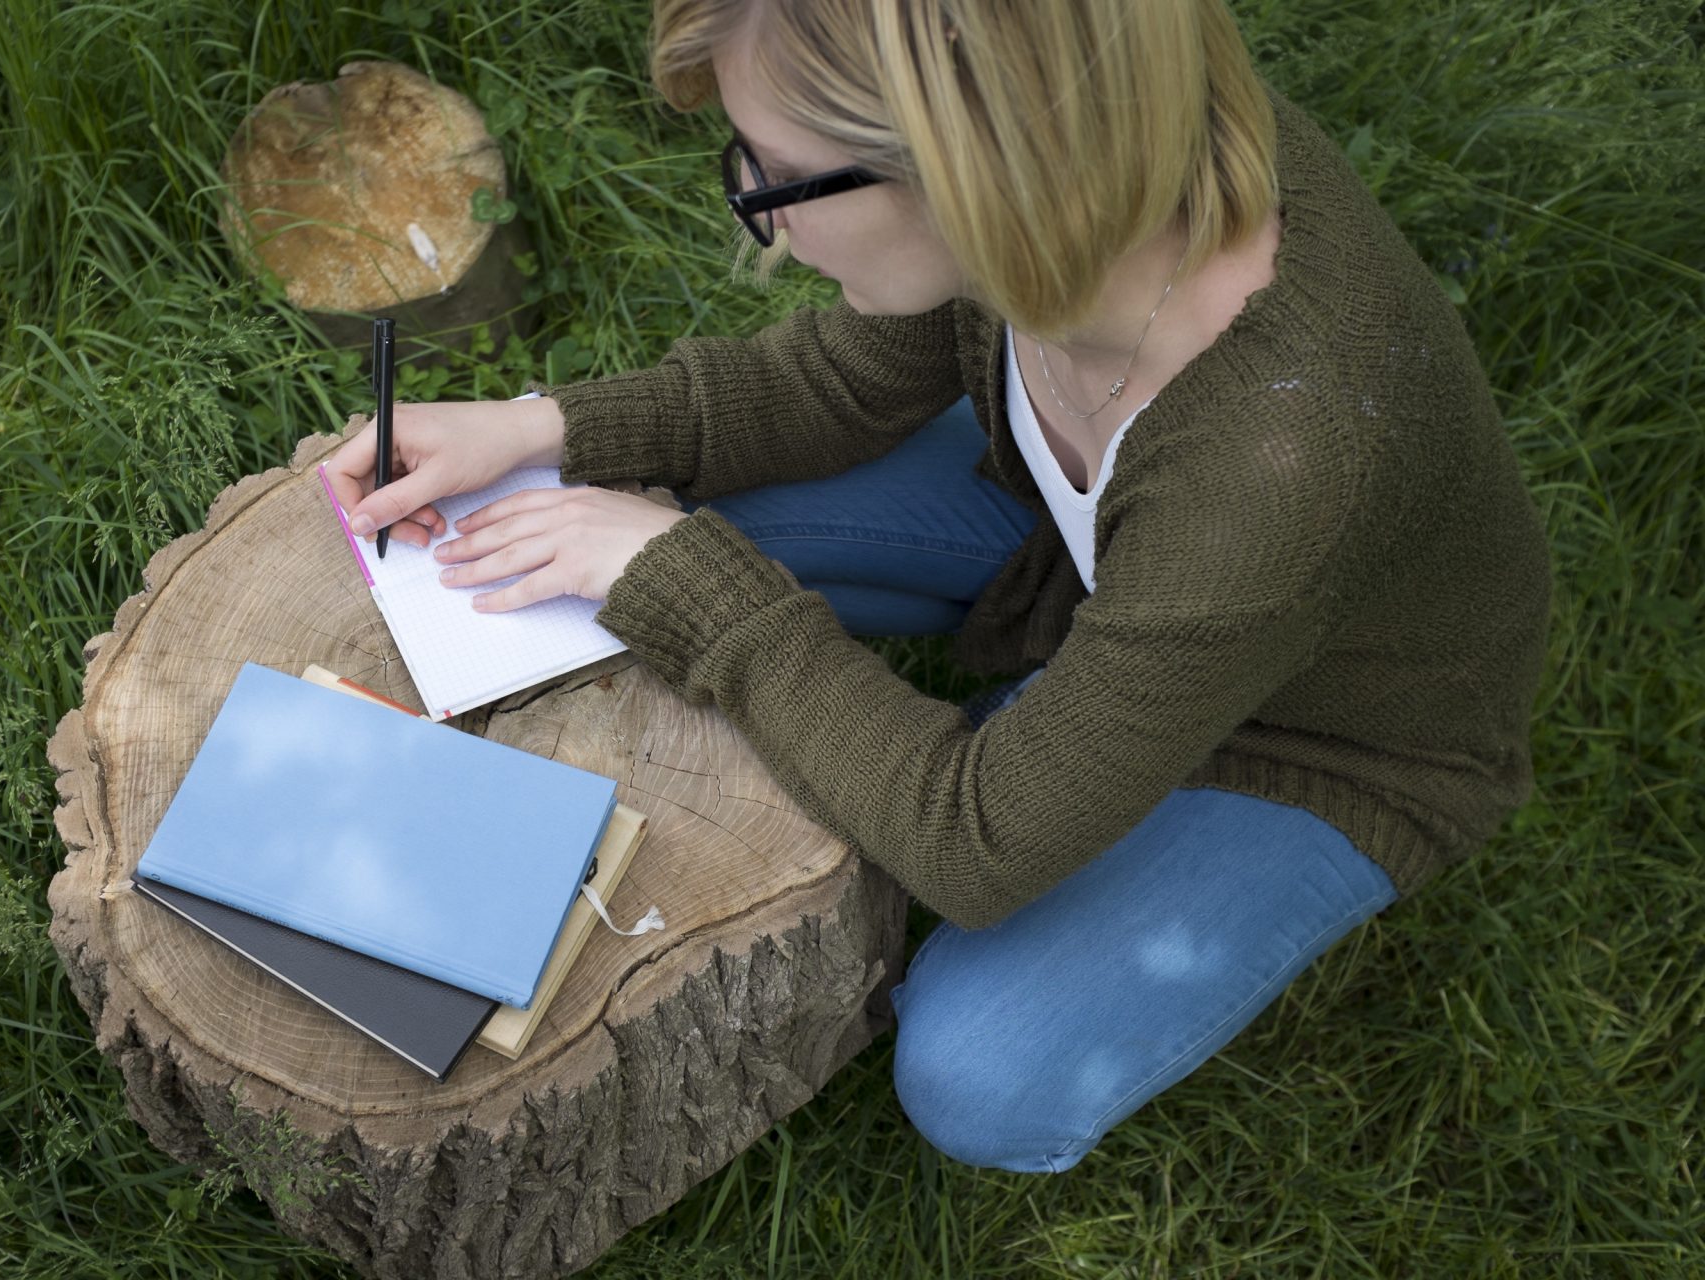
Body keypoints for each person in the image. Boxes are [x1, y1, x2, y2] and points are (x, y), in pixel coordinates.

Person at [327, 0, 1550, 1174]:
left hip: (1319, 733)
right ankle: (1054, 686)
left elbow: (977, 841)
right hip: (1088, 545)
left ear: (974, 173)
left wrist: (690, 584)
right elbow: (845, 383)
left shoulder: (1278, 469)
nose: (756, 209)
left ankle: (1075, 735)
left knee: (980, 1069)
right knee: (621, 529)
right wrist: (542, 429)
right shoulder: (1097, 177)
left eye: (775, 171)